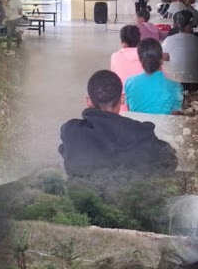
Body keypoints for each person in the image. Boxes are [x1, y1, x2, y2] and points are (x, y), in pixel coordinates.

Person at [59, 69, 178, 197]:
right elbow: (171, 160)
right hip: (129, 207)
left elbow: (66, 152)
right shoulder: (142, 135)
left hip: (80, 210)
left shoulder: (70, 132)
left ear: (89, 101)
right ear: (122, 99)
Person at [125, 39, 184, 115]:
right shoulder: (176, 86)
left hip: (136, 126)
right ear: (162, 59)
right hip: (163, 126)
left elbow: (130, 109)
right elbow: (173, 115)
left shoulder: (129, 82)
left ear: (140, 60)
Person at [162, 10, 198, 88]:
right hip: (194, 81)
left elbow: (164, 57)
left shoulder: (169, 40)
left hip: (175, 80)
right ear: (190, 25)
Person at [110, 25, 143, 110]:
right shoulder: (146, 56)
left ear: (123, 43)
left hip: (121, 107)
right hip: (144, 105)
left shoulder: (115, 57)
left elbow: (114, 80)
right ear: (140, 40)